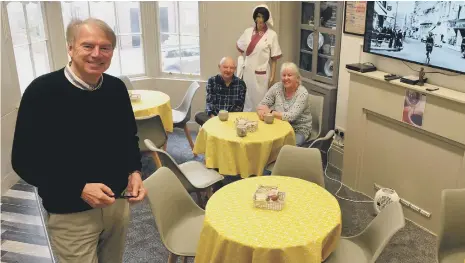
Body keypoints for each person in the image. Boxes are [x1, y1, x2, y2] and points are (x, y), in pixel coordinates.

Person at [11, 18, 146, 263]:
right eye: (87, 46)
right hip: (70, 213)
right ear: (70, 48)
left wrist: (135, 171)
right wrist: (79, 187)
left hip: (117, 204)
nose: (97, 54)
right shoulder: (41, 93)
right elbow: (24, 162)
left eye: (105, 47)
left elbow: (128, 138)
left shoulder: (116, 89)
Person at [236, 4, 282, 112]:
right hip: (247, 72)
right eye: (258, 17)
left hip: (262, 73)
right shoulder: (247, 32)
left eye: (262, 18)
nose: (260, 20)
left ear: (266, 19)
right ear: (255, 17)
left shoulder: (272, 35)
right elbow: (240, 49)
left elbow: (274, 58)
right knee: (247, 99)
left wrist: (272, 76)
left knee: (261, 101)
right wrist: (240, 63)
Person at [257, 62, 312, 146]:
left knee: (287, 148)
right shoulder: (277, 87)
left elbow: (291, 116)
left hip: (298, 129)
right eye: (284, 75)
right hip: (279, 125)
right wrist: (261, 111)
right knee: (263, 139)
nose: (286, 78)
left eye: (289, 75)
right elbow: (263, 103)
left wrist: (270, 112)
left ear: (297, 78)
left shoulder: (302, 93)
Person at [194, 57, 247, 126]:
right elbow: (210, 102)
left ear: (235, 69)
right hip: (214, 117)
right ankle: (217, 125)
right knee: (198, 115)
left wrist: (227, 120)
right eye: (225, 67)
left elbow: (239, 107)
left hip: (231, 119)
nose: (228, 70)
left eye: (231, 68)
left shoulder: (241, 84)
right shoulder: (212, 81)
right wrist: (214, 117)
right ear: (219, 67)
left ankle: (216, 126)